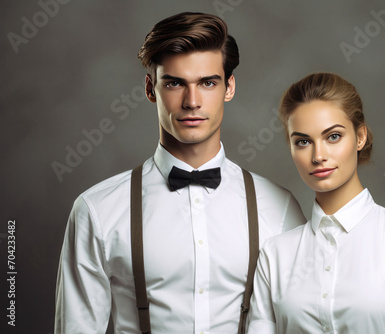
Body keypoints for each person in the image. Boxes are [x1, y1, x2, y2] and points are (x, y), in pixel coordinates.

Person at [54, 12, 305, 333]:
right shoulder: (97, 210)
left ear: (229, 87)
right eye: (174, 83)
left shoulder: (278, 208)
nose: (192, 101)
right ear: (150, 88)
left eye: (208, 83)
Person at [247, 72, 385, 333]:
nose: (318, 156)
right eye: (303, 142)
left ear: (360, 137)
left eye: (333, 137)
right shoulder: (275, 254)